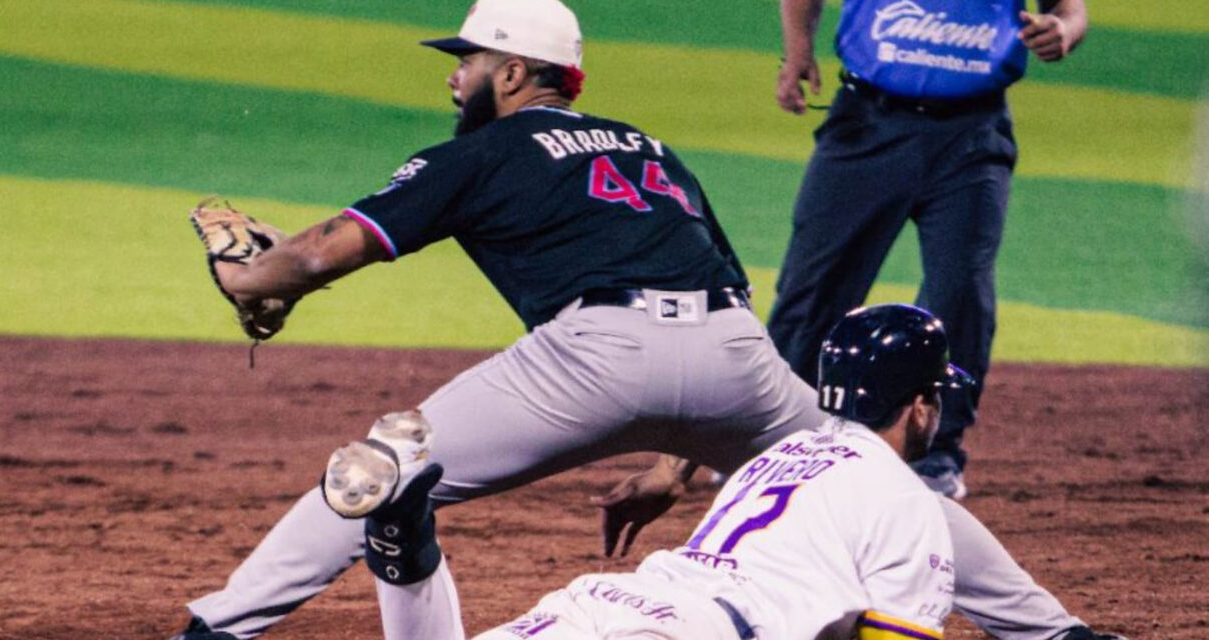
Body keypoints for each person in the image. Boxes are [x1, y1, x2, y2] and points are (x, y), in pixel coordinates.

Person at [171, 0, 829, 637]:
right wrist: (675, 467)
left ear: (512, 73)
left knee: (381, 471)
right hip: (738, 361)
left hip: (593, 362)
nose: (455, 77)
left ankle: (217, 630)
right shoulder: (650, 149)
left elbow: (319, 254)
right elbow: (717, 292)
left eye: (469, 61)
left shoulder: (481, 152)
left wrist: (243, 278)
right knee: (864, 476)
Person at [337, 305, 1127, 640]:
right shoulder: (906, 502)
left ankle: (405, 534)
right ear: (921, 408)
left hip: (588, 611)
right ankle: (406, 531)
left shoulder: (769, 461)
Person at [765, 0, 1089, 499]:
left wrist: (1062, 31)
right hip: (866, 122)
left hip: (974, 135)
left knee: (960, 289)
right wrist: (798, 53)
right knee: (814, 288)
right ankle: (776, 437)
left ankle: (934, 452)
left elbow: (1069, 10)